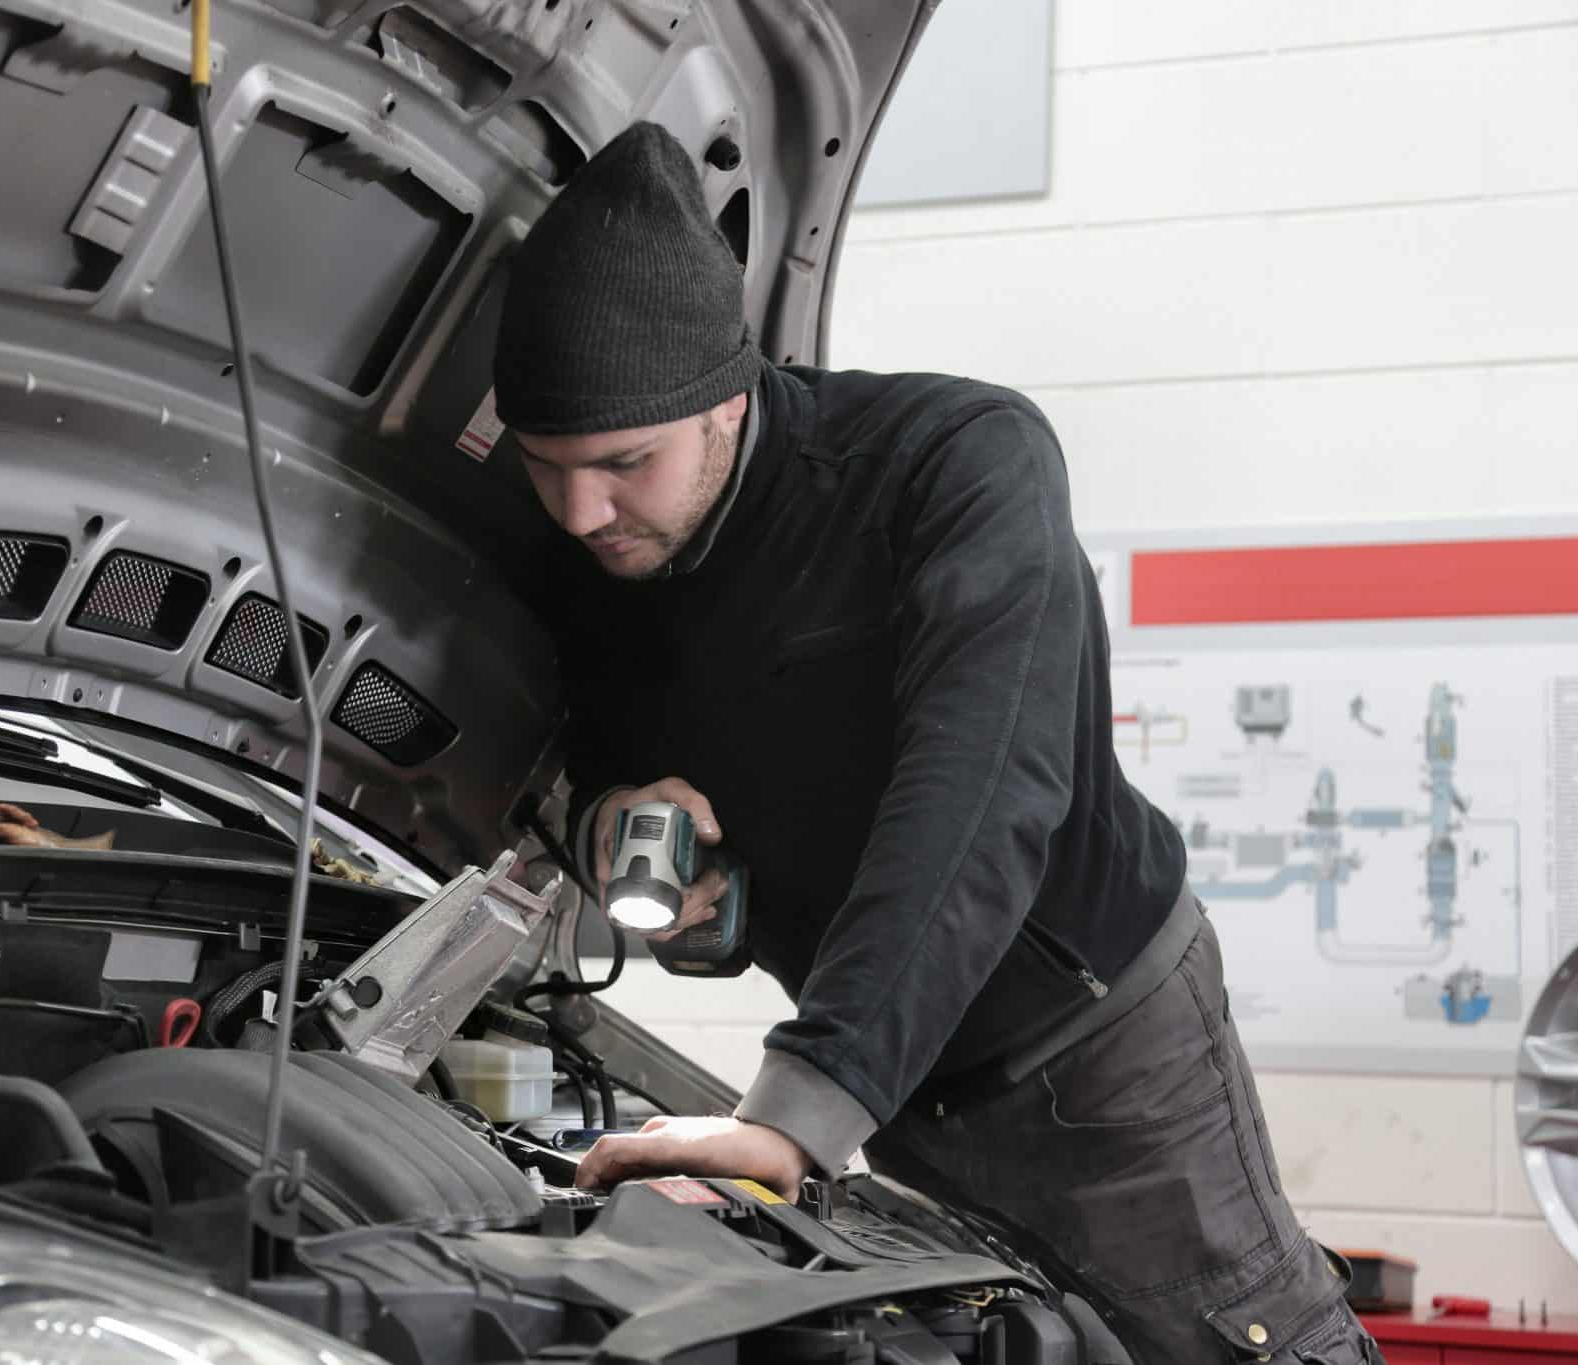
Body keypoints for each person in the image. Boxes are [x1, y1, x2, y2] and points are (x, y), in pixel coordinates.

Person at [489, 122, 1377, 1365]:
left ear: (727, 395)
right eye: (545, 469)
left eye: (622, 465)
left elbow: (980, 793)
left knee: (1231, 1345)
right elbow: (566, 750)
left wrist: (795, 1114)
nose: (581, 511)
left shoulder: (951, 465)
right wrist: (608, 830)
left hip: (1096, 1051)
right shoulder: (588, 556)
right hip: (889, 1078)